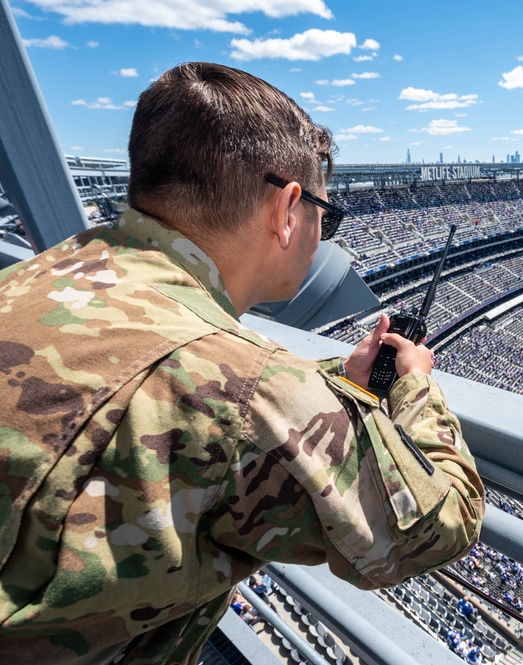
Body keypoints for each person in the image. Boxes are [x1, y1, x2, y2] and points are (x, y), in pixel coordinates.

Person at [0, 62, 485, 664]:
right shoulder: (249, 388)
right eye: (325, 217)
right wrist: (413, 386)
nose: (322, 235)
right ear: (286, 210)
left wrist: (335, 387)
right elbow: (440, 524)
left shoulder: (33, 276)